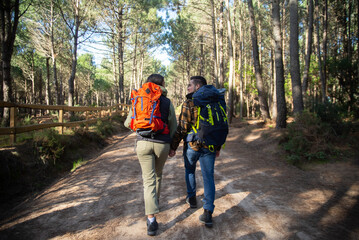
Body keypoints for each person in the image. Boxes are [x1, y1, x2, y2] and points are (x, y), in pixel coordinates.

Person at [124, 74, 177, 236]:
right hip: (162, 145)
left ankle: (151, 220)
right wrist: (172, 146)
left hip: (143, 143)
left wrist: (142, 130)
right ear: (162, 84)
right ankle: (155, 203)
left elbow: (128, 123)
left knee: (148, 180)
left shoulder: (139, 99)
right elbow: (173, 126)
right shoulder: (167, 102)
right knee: (158, 176)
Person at [169, 76, 222, 228]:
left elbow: (183, 127)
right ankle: (208, 212)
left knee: (190, 170)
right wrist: (218, 147)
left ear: (198, 86)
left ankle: (192, 198)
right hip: (210, 146)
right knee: (208, 177)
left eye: (190, 85)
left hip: (192, 144)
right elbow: (220, 125)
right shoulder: (216, 102)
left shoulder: (189, 102)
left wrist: (173, 145)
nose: (188, 88)